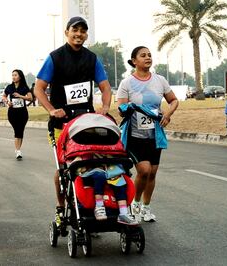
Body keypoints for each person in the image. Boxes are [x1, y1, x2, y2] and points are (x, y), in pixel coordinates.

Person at [34, 16, 112, 226]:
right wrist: (51, 110)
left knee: (91, 164)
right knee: (64, 170)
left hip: (86, 122)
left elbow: (105, 87)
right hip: (62, 123)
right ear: (66, 32)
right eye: (75, 30)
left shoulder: (92, 58)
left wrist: (105, 108)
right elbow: (38, 88)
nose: (79, 34)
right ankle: (61, 208)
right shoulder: (55, 57)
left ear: (86, 34)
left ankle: (89, 206)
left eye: (83, 31)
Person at [116, 46, 179, 222]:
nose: (148, 58)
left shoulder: (160, 80)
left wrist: (167, 114)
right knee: (143, 171)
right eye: (143, 55)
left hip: (154, 134)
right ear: (134, 61)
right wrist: (128, 109)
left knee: (152, 172)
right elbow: (121, 109)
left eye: (149, 55)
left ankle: (146, 207)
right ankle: (135, 203)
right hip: (135, 135)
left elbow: (173, 100)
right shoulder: (127, 83)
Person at [71, 155, 138, 225]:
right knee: (100, 176)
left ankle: (123, 212)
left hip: (108, 166)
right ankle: (99, 206)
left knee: (119, 180)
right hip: (91, 170)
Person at [3, 69, 33, 159]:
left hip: (23, 113)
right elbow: (4, 96)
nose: (13, 77)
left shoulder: (24, 87)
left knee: (21, 131)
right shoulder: (9, 87)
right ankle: (18, 151)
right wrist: (7, 102)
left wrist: (20, 96)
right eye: (12, 75)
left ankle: (18, 149)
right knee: (17, 130)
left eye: (15, 75)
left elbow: (30, 98)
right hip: (12, 112)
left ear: (20, 76)